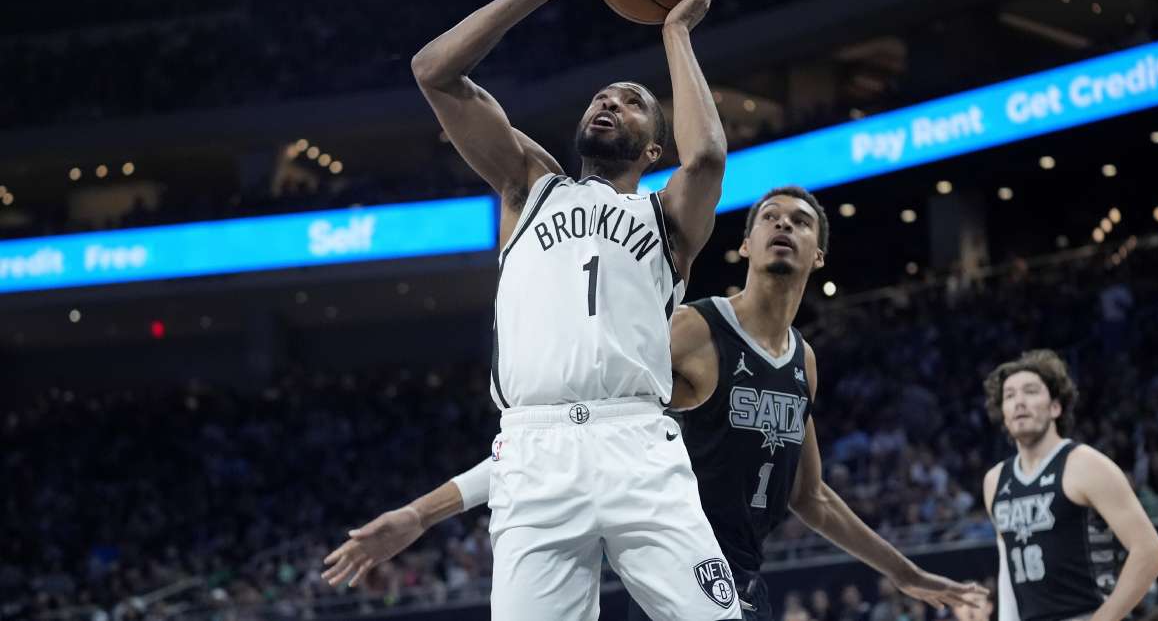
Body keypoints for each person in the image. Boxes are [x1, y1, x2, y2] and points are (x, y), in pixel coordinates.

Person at [326, 188, 985, 619]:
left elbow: (809, 498)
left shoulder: (803, 360)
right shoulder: (694, 331)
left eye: (801, 221)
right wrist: (420, 514)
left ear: (819, 253)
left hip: (735, 577)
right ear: (746, 245)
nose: (784, 224)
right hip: (655, 571)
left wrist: (908, 574)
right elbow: (573, 435)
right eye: (768, 219)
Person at [324, 0, 734, 619]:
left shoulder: (666, 217)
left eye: (630, 102)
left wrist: (675, 30)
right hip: (532, 453)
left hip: (637, 443)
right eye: (601, 96)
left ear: (653, 145)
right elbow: (433, 72)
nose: (608, 103)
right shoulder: (528, 185)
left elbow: (709, 157)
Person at [982, 350, 1158, 621]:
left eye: (1031, 391)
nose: (1019, 401)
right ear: (1003, 413)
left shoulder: (1085, 465)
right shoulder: (995, 481)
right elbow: (1007, 572)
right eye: (1009, 396)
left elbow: (1150, 552)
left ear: (1055, 407)